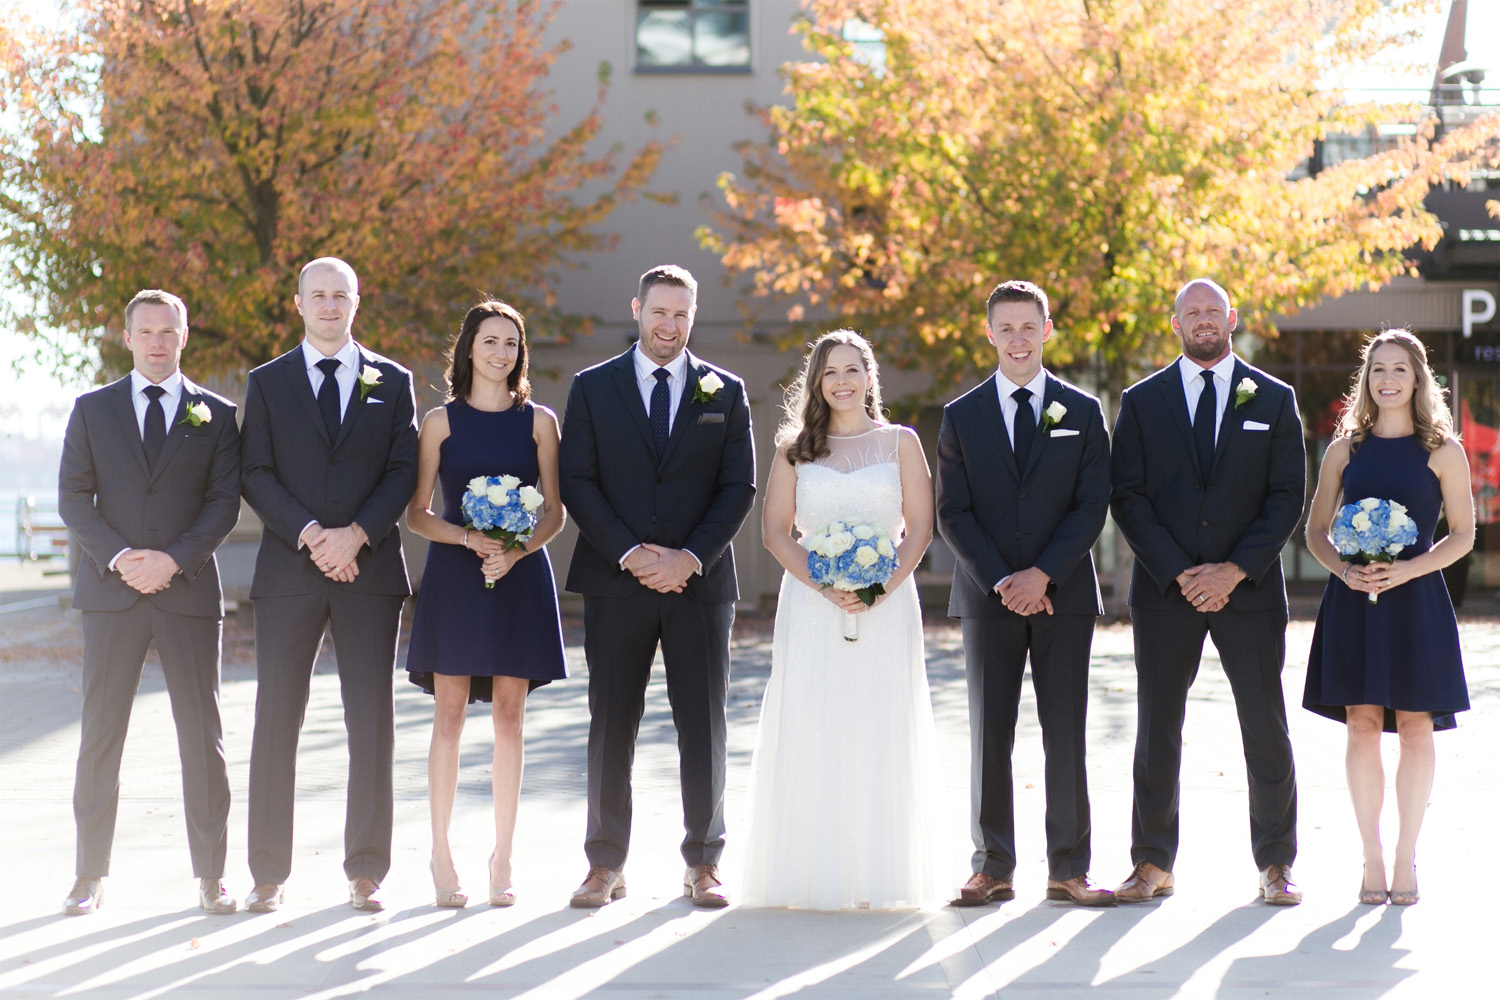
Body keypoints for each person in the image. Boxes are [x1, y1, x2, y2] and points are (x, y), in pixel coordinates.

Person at [558, 264, 756, 908]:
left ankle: (704, 862)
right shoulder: (593, 387)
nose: (669, 325)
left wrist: (688, 558)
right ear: (637, 309)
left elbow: (738, 487)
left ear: (693, 317)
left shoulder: (726, 391)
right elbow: (577, 480)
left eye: (681, 314)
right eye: (659, 312)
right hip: (616, 581)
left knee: (703, 725)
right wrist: (631, 554)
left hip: (699, 584)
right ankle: (604, 864)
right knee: (611, 723)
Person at [1109, 278, 1307, 905]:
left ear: (1232, 318)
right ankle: (1151, 862)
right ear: (1175, 323)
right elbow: (1128, 497)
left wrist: (1234, 570)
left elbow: (1286, 497)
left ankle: (1276, 863)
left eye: (1212, 311)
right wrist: (1181, 572)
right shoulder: (1141, 401)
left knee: (1265, 725)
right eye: (1191, 312)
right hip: (1165, 591)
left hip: (1249, 590)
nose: (1203, 320)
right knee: (1156, 727)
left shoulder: (1274, 397)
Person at [742, 329, 945, 909]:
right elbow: (775, 532)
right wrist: (824, 584)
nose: (841, 381)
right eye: (829, 371)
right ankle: (812, 873)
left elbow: (920, 528)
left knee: (881, 724)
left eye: (852, 369)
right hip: (812, 606)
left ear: (869, 376)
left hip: (888, 606)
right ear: (816, 383)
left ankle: (878, 875)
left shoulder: (901, 443)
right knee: (815, 721)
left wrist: (881, 588)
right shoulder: (795, 449)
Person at [240, 257, 418, 913]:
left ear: (356, 302)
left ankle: (367, 870)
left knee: (371, 721)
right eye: (317, 294)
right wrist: (314, 535)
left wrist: (357, 535)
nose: (329, 305)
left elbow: (403, 471)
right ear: (298, 303)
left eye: (341, 294)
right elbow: (254, 472)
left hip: (369, 572)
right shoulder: (267, 382)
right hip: (290, 571)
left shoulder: (392, 381)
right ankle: (267, 874)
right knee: (276, 718)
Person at [57, 289, 241, 916]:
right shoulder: (91, 410)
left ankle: (212, 876)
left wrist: (173, 560)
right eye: (147, 331)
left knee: (203, 738)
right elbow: (73, 498)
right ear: (128, 337)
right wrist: (120, 558)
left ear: (184, 337)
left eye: (169, 331)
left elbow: (223, 503)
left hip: (187, 592)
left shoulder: (218, 415)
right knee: (100, 734)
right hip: (112, 595)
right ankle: (88, 875)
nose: (158, 342)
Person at [936, 281, 1114, 907]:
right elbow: (952, 512)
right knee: (990, 735)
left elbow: (1092, 504)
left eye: (1028, 326)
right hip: (988, 598)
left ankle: (1069, 868)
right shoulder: (961, 415)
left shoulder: (1083, 410)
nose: (1018, 338)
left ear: (1047, 330)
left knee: (1065, 733)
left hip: (1064, 596)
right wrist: (1003, 580)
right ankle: (992, 865)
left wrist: (1043, 574)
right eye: (1006, 327)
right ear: (989, 334)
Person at [405, 300, 568, 908]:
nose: (501, 352)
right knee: (448, 714)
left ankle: (503, 857)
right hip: (455, 575)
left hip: (519, 576)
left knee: (509, 717)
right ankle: (441, 852)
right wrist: (469, 539)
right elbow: (417, 513)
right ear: (469, 348)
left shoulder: (541, 423)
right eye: (490, 341)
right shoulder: (439, 423)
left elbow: (555, 511)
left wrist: (516, 552)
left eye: (511, 343)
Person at [1302, 329, 1472, 907]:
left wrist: (1409, 570)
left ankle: (1405, 857)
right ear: (1366, 380)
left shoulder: (1444, 450)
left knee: (1418, 726)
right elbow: (1316, 532)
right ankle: (1371, 856)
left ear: (1419, 379)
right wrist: (1345, 572)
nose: (1389, 379)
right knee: (1362, 724)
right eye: (1378, 369)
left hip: (1416, 600)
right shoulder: (1344, 449)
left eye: (1400, 368)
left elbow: (1463, 535)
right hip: (1355, 601)